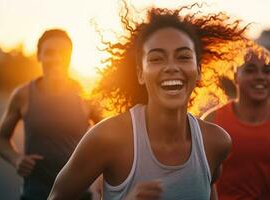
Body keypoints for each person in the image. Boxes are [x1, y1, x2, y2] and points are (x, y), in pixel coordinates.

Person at [48, 3, 246, 200]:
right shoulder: (107, 138)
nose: (171, 67)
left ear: (198, 71)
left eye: (183, 57)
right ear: (140, 73)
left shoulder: (216, 142)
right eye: (157, 59)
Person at [0, 29, 101, 200]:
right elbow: (1, 138)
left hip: (78, 195)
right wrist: (16, 159)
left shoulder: (87, 95)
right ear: (39, 56)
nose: (57, 59)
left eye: (63, 53)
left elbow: (111, 141)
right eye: (49, 53)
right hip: (35, 195)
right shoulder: (23, 95)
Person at [202, 46, 270, 200]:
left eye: (267, 71)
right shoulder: (211, 121)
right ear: (235, 76)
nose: (260, 77)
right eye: (250, 70)